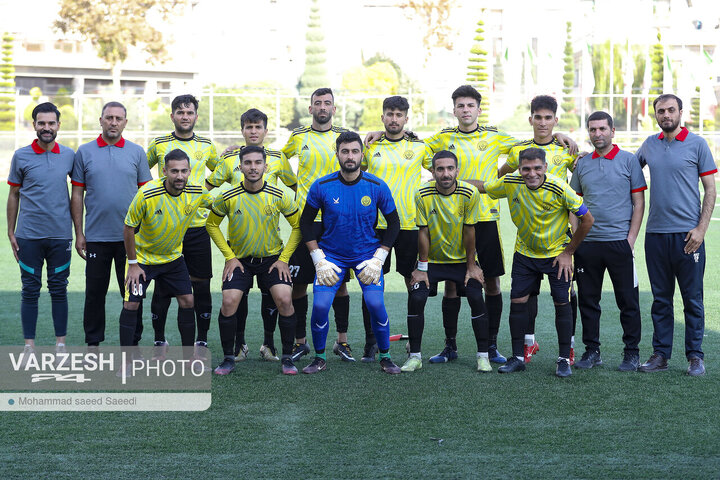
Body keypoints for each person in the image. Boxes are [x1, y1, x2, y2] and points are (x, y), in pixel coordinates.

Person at [366, 85, 576, 365]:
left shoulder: (495, 136)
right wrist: (380, 134)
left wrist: (557, 136)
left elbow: (529, 148)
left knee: (491, 281)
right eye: (460, 106)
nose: (465, 110)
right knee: (452, 285)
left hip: (486, 217)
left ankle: (490, 346)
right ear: (454, 110)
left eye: (470, 106)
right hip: (450, 220)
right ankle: (449, 346)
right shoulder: (441, 138)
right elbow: (407, 141)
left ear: (478, 109)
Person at [477, 148, 594, 377]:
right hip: (525, 254)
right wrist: (450, 181)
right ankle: (518, 357)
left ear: (545, 168)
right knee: (518, 301)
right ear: (519, 169)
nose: (532, 173)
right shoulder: (510, 182)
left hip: (556, 254)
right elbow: (483, 186)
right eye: (526, 169)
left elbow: (587, 219)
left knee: (562, 303)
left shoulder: (559, 187)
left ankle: (563, 360)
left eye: (537, 168)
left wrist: (568, 252)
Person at [299, 131, 402, 374]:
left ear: (362, 154)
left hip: (367, 255)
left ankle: (385, 356)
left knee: (375, 304)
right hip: (331, 256)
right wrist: (318, 259)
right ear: (336, 154)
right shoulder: (321, 185)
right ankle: (320, 357)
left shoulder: (376, 186)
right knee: (321, 306)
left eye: (355, 151)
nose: (350, 156)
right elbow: (305, 223)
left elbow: (394, 223)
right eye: (344, 151)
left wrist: (379, 258)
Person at [207, 108, 297, 363]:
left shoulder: (279, 159)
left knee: (278, 297)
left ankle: (270, 345)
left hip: (270, 247)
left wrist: (285, 256)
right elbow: (209, 188)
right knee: (235, 298)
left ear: (266, 131)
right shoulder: (229, 159)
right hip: (240, 251)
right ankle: (238, 346)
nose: (254, 131)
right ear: (242, 130)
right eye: (249, 127)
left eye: (258, 127)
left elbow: (294, 188)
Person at [635, 94, 716, 376]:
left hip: (688, 237)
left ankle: (695, 357)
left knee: (692, 299)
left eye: (671, 110)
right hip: (655, 235)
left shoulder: (697, 144)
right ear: (655, 115)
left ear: (681, 112)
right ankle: (660, 355)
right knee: (661, 299)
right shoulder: (649, 145)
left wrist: (702, 229)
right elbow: (625, 169)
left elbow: (710, 189)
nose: (666, 114)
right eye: (661, 111)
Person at [282, 87, 364, 363]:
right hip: (306, 221)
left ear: (334, 108)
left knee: (339, 283)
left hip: (336, 220)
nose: (322, 107)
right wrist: (295, 186)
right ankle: (300, 342)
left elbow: (362, 155)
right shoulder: (298, 137)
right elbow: (280, 160)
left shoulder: (342, 137)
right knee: (300, 282)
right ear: (310, 108)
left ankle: (342, 342)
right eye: (317, 103)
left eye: (327, 103)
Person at [499, 95, 579, 364]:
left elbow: (580, 178)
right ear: (530, 119)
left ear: (555, 120)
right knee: (525, 295)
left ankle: (567, 350)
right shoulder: (518, 150)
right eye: (538, 117)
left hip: (559, 238)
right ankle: (526, 346)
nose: (543, 123)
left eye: (548, 118)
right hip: (527, 241)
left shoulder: (566, 149)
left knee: (566, 296)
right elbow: (501, 177)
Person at [120, 149, 212, 372]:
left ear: (190, 171)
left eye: (183, 171)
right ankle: (127, 361)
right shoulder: (147, 194)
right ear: (164, 171)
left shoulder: (197, 191)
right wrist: (133, 265)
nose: (179, 176)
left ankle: (189, 358)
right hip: (142, 259)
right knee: (131, 303)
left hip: (173, 259)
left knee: (188, 301)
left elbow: (218, 206)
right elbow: (129, 227)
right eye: (174, 171)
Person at [71, 101, 152, 349]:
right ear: (101, 120)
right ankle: (93, 343)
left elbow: (146, 195)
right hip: (96, 237)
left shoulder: (137, 152)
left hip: (131, 240)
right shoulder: (84, 152)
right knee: (95, 294)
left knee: (133, 294)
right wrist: (79, 233)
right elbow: (77, 195)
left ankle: (133, 343)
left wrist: (146, 235)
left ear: (125, 122)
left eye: (118, 118)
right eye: (109, 118)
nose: (113, 122)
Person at [570, 111, 646, 371]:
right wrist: (576, 237)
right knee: (588, 301)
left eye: (602, 128)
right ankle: (592, 351)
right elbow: (573, 205)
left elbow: (638, 203)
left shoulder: (629, 161)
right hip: (588, 245)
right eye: (592, 129)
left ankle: (632, 352)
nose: (597, 134)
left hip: (619, 244)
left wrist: (630, 240)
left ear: (613, 131)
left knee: (628, 300)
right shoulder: (582, 164)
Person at [402, 150, 490, 373]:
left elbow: (470, 231)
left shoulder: (470, 193)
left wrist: (471, 265)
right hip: (433, 262)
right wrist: (422, 268)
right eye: (440, 169)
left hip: (462, 261)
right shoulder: (422, 194)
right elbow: (423, 232)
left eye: (450, 168)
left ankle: (483, 356)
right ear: (432, 171)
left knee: (475, 295)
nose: (445, 173)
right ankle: (415, 356)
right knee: (417, 295)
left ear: (457, 171)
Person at [146, 94, 219, 359]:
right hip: (164, 227)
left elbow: (220, 170)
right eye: (180, 112)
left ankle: (200, 341)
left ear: (196, 116)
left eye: (189, 112)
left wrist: (203, 191)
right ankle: (159, 341)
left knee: (200, 285)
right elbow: (144, 173)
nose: (185, 116)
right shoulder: (159, 144)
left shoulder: (207, 146)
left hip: (197, 226)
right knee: (164, 286)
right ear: (173, 116)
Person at [361, 95, 432, 362]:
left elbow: (441, 167)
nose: (394, 119)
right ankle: (371, 342)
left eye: (399, 115)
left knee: (413, 281)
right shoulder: (370, 145)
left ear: (406, 118)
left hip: (409, 224)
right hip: (373, 225)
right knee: (370, 281)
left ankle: (413, 344)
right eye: (389, 114)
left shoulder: (420, 147)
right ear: (382, 117)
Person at [7, 102, 74, 359]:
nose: (46, 128)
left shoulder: (69, 155)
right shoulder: (21, 156)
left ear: (58, 125)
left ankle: (60, 346)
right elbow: (13, 195)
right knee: (29, 290)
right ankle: (29, 347)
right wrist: (11, 232)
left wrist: (79, 232)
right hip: (29, 236)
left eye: (51, 123)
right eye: (41, 123)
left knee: (59, 289)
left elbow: (77, 193)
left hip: (60, 236)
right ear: (34, 124)